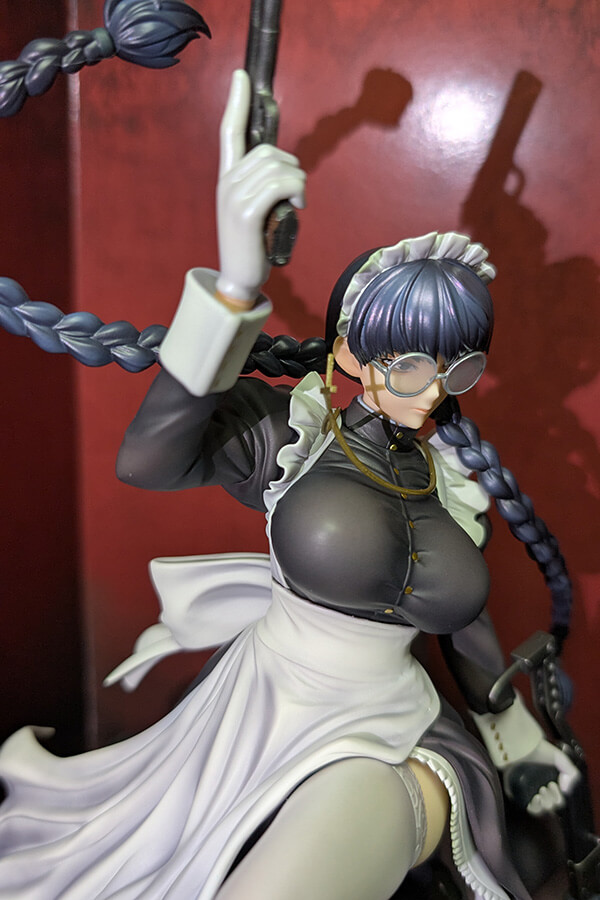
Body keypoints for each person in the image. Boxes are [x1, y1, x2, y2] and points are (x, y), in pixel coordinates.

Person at [0, 70, 578, 900]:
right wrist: (235, 285)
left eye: (457, 369)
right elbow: (149, 461)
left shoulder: (450, 479)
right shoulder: (295, 438)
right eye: (409, 366)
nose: (431, 393)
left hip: (412, 739)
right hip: (268, 721)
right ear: (349, 356)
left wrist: (518, 738)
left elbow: (469, 633)